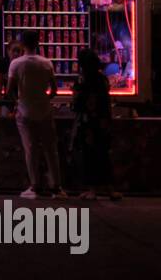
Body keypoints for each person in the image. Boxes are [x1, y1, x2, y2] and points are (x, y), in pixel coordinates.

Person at [7, 30, 64, 199]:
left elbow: (9, 90)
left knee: (30, 149)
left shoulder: (16, 64)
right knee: (50, 149)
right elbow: (54, 90)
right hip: (45, 110)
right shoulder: (47, 63)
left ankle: (35, 187)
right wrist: (43, 98)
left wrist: (18, 102)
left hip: (24, 111)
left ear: (22, 44)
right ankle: (57, 187)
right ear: (38, 43)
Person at [70, 50, 119, 201]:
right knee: (103, 154)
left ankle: (92, 189)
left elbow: (78, 103)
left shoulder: (83, 80)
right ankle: (110, 190)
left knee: (89, 156)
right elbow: (105, 100)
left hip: (88, 123)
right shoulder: (102, 79)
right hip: (102, 122)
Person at [0, 40, 26, 117]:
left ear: (22, 52)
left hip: (23, 100)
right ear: (8, 51)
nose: (16, 54)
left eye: (18, 51)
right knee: (4, 118)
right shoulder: (3, 63)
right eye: (14, 51)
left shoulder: (24, 64)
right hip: (8, 99)